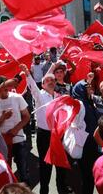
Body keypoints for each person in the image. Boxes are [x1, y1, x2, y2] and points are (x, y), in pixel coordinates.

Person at [20, 64, 72, 194]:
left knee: (61, 164)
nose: (51, 82)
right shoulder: (40, 96)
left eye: (53, 80)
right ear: (42, 84)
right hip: (45, 136)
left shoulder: (60, 96)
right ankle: (44, 190)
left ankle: (62, 187)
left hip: (59, 135)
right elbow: (32, 87)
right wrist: (27, 73)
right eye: (47, 80)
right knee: (45, 166)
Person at [0, 76, 31, 185]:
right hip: (3, 142)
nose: (4, 92)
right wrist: (3, 118)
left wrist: (16, 129)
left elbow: (26, 116)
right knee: (5, 171)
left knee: (23, 170)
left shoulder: (17, 97)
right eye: (1, 89)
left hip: (18, 139)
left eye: (6, 89)